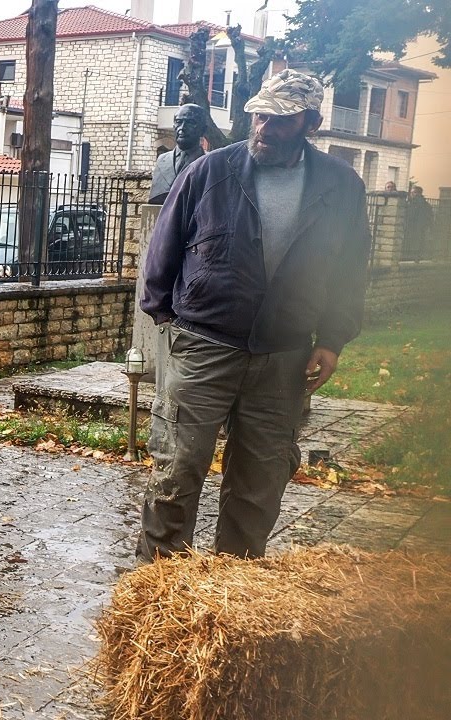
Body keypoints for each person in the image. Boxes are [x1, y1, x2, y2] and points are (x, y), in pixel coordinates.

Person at [138, 69, 370, 561]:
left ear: (311, 123)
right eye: (259, 116)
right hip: (202, 346)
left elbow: (350, 272)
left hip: (283, 357)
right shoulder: (209, 172)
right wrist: (168, 321)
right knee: (176, 472)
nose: (264, 128)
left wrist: (331, 340)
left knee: (259, 484)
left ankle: (234, 584)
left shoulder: (341, 186)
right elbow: (163, 251)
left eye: (280, 120)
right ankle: (156, 584)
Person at [148, 104, 208, 204]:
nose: (182, 128)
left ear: (203, 130)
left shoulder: (209, 163)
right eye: (179, 122)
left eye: (190, 122)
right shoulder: (162, 160)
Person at [405, 185, 433, 261]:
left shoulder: (417, 204)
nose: (411, 194)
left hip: (417, 227)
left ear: (419, 193)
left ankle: (414, 257)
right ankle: (415, 257)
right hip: (416, 227)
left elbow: (428, 217)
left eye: (413, 192)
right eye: (411, 192)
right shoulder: (411, 203)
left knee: (415, 243)